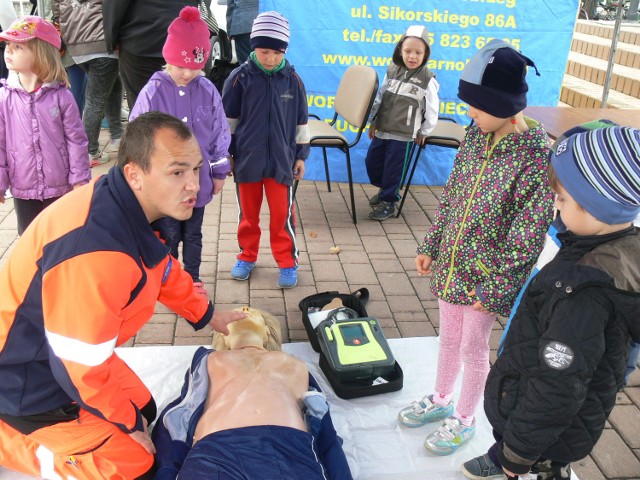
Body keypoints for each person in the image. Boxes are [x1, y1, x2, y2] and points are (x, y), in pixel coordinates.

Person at [0, 111, 247, 480]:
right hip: (24, 381)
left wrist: (208, 314)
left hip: (57, 357)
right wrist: (126, 425)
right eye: (177, 172)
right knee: (135, 463)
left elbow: (161, 269)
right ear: (135, 174)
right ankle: (15, 441)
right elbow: (79, 363)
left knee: (147, 412)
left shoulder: (130, 204)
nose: (193, 185)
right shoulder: (96, 250)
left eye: (195, 169)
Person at [398, 39, 554, 455]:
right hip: (452, 265)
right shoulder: (475, 134)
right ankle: (441, 397)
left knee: (473, 348)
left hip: (485, 280)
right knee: (447, 339)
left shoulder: (536, 157)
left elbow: (527, 235)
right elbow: (453, 194)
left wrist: (498, 290)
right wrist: (433, 242)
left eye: (476, 107)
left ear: (505, 106)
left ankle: (465, 417)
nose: (469, 113)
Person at [461, 125, 640, 480]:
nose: (554, 205)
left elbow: (556, 387)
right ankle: (513, 453)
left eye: (562, 199)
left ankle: (523, 462)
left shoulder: (584, 292)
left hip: (546, 427)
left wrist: (518, 454)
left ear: (596, 205)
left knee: (538, 454)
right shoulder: (603, 244)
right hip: (551, 415)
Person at [152, 307, 353, 480]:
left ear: (267, 332)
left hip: (290, 451)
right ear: (223, 334)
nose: (245, 310)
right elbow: (180, 412)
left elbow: (325, 429)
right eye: (234, 314)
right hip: (217, 452)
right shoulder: (209, 359)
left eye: (253, 312)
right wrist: (167, 472)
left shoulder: (296, 364)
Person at [130, 6, 230, 287]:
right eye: (180, 65)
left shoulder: (208, 90)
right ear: (168, 58)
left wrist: (219, 171)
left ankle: (193, 278)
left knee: (195, 233)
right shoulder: (154, 90)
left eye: (195, 66)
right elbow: (137, 130)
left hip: (198, 180)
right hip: (166, 181)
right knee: (168, 233)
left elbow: (220, 132)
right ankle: (170, 281)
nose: (187, 73)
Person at [222, 11, 309, 289]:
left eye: (276, 52)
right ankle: (246, 256)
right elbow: (228, 123)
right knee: (248, 215)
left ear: (284, 50)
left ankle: (287, 262)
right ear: (253, 46)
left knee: (281, 216)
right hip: (247, 161)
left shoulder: (293, 81)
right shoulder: (238, 79)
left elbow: (301, 124)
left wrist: (300, 156)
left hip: (282, 163)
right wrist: (228, 154)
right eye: (263, 51)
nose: (269, 57)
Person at [0, 15, 90, 235]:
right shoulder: (4, 98)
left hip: (60, 186)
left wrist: (79, 178)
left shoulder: (62, 97)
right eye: (8, 46)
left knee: (60, 236)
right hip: (24, 188)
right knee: (29, 239)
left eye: (18, 47)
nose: (8, 51)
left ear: (40, 54)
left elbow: (76, 140)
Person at [365, 25, 439, 221]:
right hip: (382, 129)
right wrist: (373, 121)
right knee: (372, 162)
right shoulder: (392, 70)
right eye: (408, 51)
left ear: (425, 54)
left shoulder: (427, 79)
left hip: (404, 134)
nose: (412, 56)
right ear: (400, 50)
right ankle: (385, 190)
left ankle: (389, 201)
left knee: (394, 169)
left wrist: (424, 131)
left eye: (418, 52)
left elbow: (432, 109)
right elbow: (380, 97)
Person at [52, 0, 124, 166]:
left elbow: (56, 12)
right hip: (101, 42)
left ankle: (117, 135)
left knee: (113, 85)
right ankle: (89, 152)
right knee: (95, 100)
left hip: (76, 46)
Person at [103, 0, 198, 110]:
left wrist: (111, 41)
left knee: (141, 104)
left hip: (141, 38)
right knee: (180, 104)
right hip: (183, 37)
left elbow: (113, 4)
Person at [225, 0, 258, 64]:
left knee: (245, 62)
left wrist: (229, 31)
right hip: (262, 25)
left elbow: (231, 7)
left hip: (241, 26)